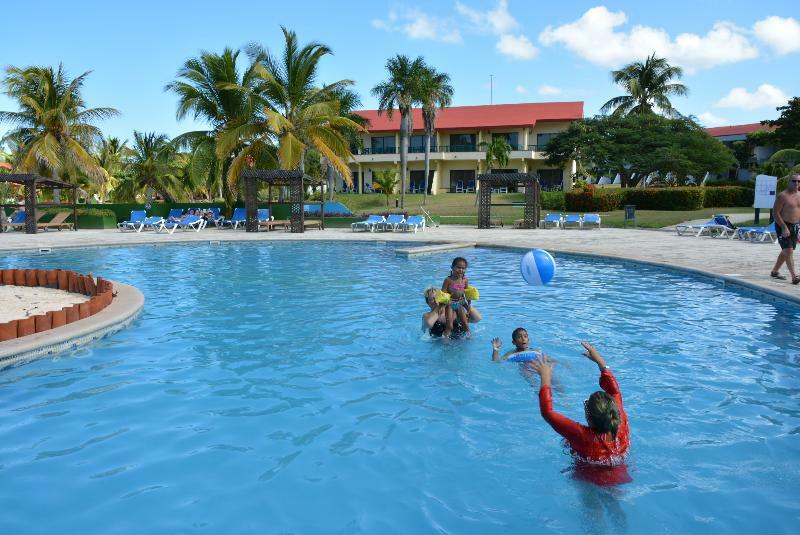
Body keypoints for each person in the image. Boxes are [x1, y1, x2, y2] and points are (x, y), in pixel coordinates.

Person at [528, 342, 629, 464]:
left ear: (589, 419)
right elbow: (615, 391)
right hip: (622, 472)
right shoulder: (621, 421)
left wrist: (545, 377)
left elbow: (547, 413)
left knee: (567, 442)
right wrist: (601, 363)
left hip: (588, 479)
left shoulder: (582, 435)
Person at [771, 173, 800, 284]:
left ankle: (774, 271)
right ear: (789, 181)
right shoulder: (782, 196)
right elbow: (775, 213)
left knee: (786, 251)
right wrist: (784, 227)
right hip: (783, 225)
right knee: (788, 250)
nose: (796, 183)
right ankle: (794, 276)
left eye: (798, 181)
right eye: (794, 181)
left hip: (795, 226)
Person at [441, 257, 472, 337]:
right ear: (452, 267)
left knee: (465, 324)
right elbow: (443, 294)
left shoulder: (465, 280)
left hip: (460, 303)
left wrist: (468, 306)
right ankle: (445, 340)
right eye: (458, 267)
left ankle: (469, 339)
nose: (460, 270)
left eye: (463, 268)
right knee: (449, 326)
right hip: (449, 304)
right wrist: (442, 307)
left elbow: (467, 294)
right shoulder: (448, 280)